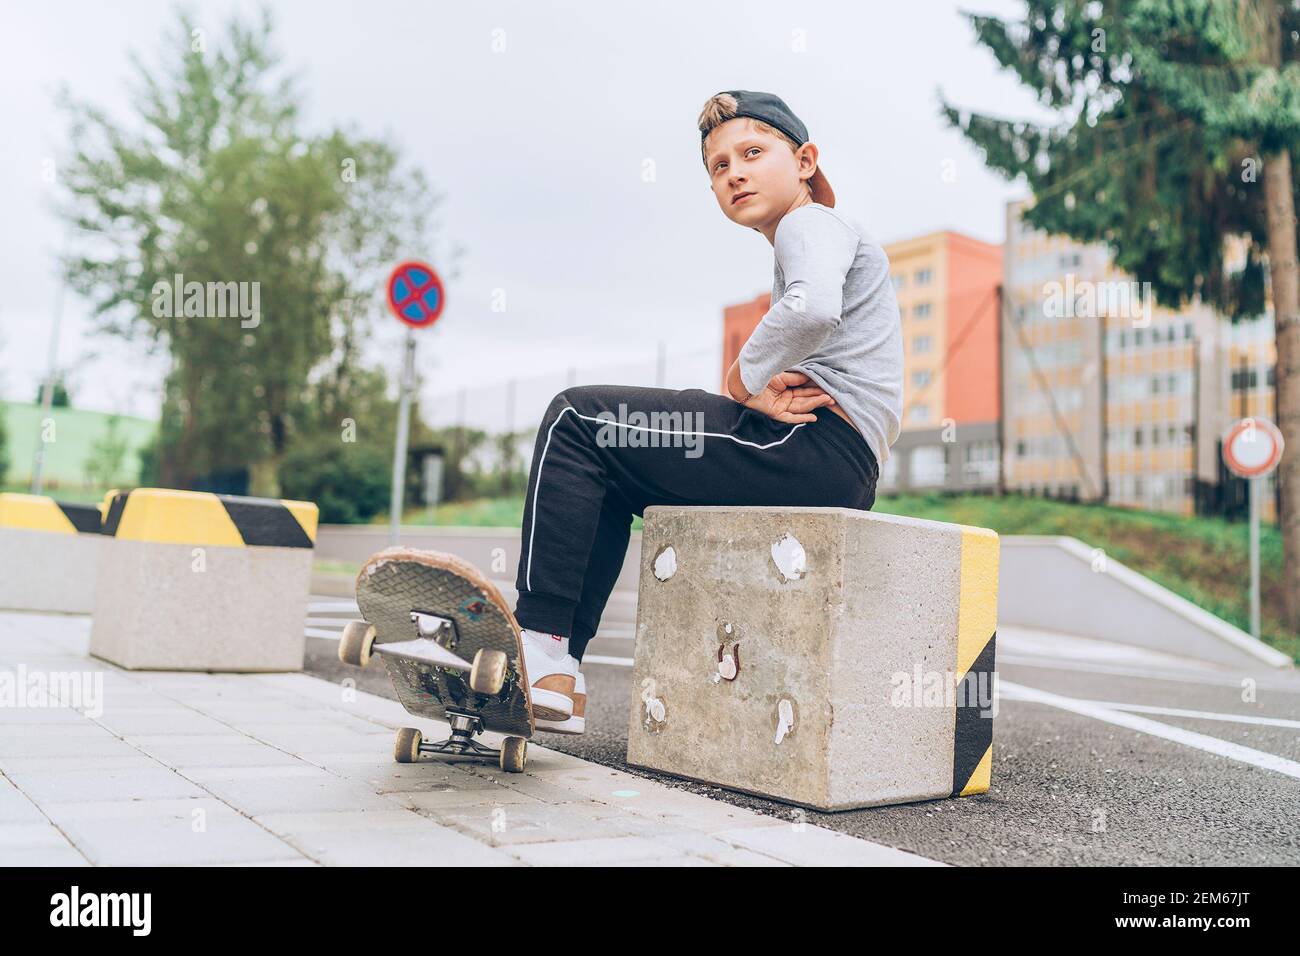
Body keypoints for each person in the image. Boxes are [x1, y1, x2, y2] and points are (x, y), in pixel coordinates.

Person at [513, 89, 904, 734]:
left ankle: (543, 642)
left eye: (752, 153)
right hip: (822, 456)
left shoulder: (814, 224)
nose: (735, 174)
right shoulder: (809, 238)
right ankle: (552, 668)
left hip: (813, 449)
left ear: (805, 160)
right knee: (610, 468)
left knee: (575, 422)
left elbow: (812, 309)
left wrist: (738, 383)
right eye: (718, 167)